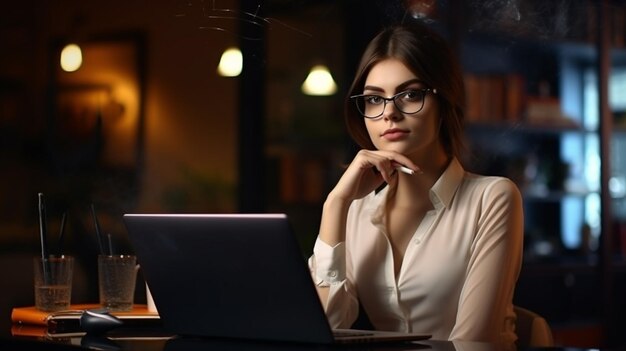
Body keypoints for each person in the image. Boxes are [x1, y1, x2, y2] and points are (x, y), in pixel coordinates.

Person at [308, 21, 524, 345]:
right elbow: (324, 329)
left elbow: (473, 342)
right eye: (373, 99)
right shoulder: (355, 212)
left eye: (410, 94)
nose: (389, 114)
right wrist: (336, 203)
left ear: (444, 100)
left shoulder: (492, 198)